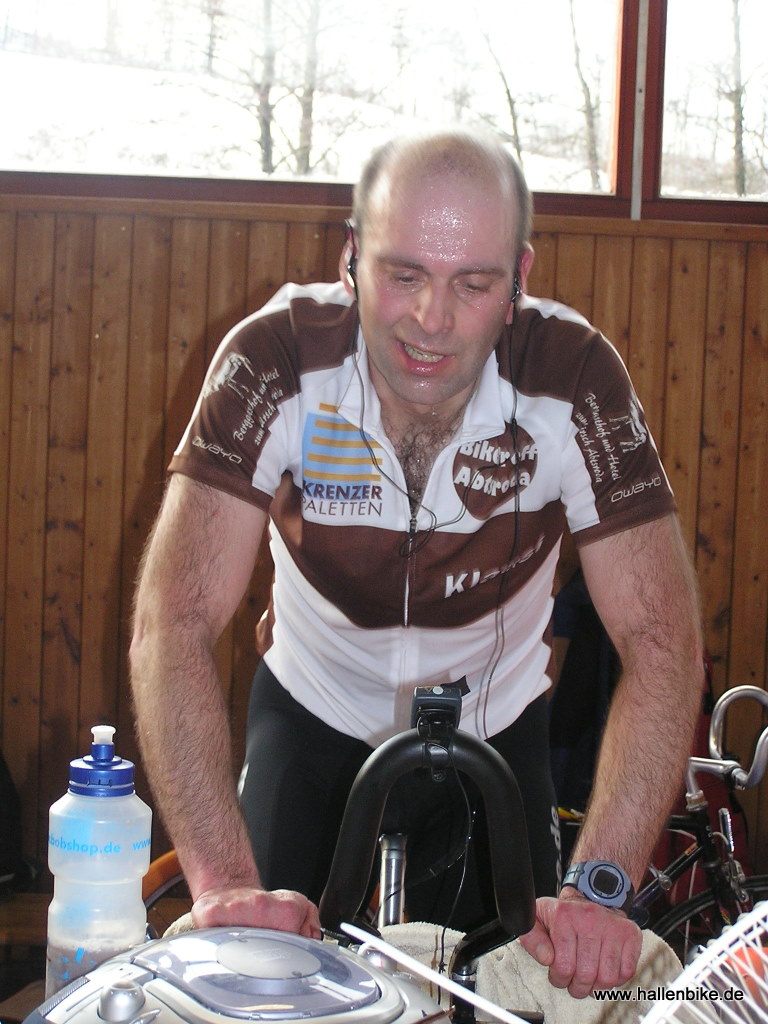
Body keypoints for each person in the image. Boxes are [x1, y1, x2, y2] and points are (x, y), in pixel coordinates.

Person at [130, 126, 704, 999]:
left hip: (496, 720)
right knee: (255, 978)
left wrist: (599, 889)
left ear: (518, 281)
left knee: (517, 992)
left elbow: (664, 642)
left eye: (472, 285)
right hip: (313, 708)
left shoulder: (576, 376)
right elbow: (171, 619)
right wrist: (223, 883)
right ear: (351, 258)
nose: (432, 320)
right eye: (403, 276)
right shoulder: (274, 357)